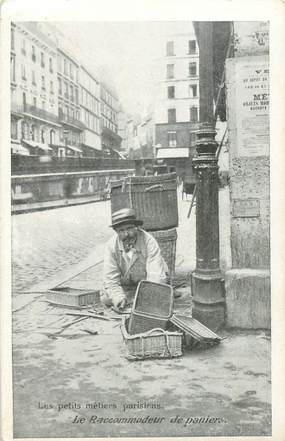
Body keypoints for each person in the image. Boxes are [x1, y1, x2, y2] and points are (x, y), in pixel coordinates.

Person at [101, 208, 168, 310]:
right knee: (106, 299)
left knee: (156, 299)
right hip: (127, 285)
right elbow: (110, 279)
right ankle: (129, 297)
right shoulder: (111, 246)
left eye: (129, 228)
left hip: (147, 282)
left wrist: (146, 299)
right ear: (116, 231)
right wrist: (119, 299)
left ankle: (163, 291)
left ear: (136, 227)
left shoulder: (149, 241)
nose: (126, 234)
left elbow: (155, 276)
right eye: (121, 230)